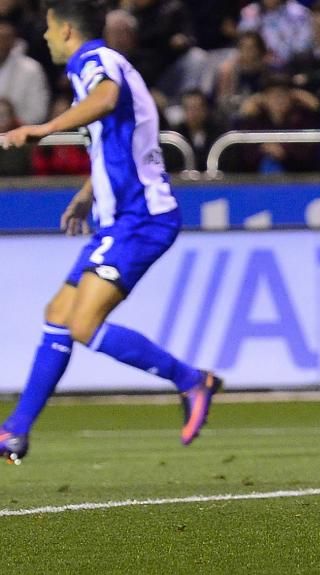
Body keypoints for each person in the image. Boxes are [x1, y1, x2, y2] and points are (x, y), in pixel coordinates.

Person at [0, 0, 221, 464]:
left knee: (82, 324)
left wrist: (41, 129)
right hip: (122, 217)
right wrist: (88, 193)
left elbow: (105, 99)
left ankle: (190, 379)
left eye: (47, 29)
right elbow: (117, 136)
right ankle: (14, 431)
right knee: (59, 314)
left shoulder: (92, 61)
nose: (42, 38)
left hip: (141, 218)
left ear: (65, 31)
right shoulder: (108, 62)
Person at [0, 16, 51, 124]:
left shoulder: (31, 69)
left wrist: (12, 120)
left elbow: (38, 113)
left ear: (13, 41)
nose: (1, 44)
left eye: (5, 38)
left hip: (18, 135)